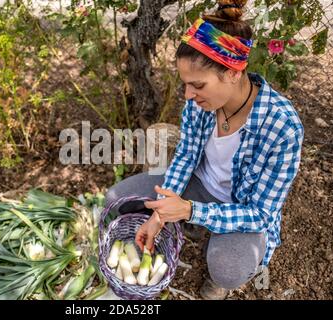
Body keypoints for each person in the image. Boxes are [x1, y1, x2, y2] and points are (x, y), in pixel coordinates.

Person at [105, 0, 304, 299]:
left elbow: (262, 214)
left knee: (228, 268)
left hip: (241, 208)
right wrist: (160, 214)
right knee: (115, 200)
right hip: (198, 186)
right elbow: (185, 156)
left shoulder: (283, 127)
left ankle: (205, 239)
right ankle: (187, 225)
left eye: (197, 85)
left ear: (234, 72)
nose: (188, 95)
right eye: (185, 84)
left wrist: (189, 210)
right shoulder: (200, 105)